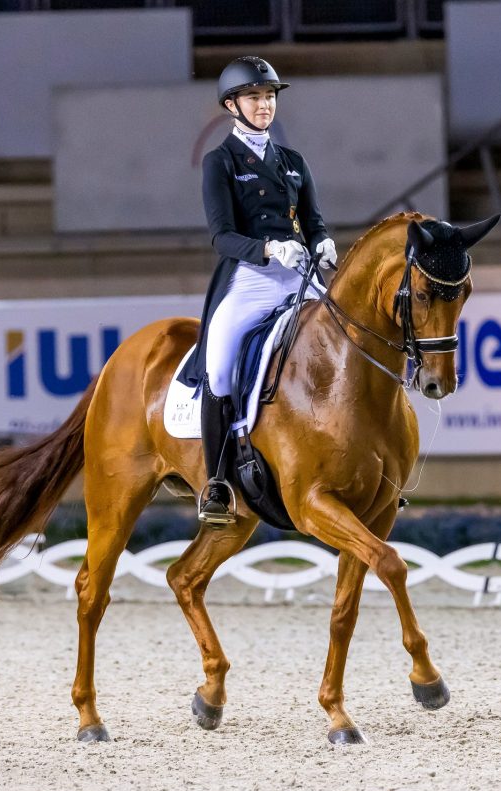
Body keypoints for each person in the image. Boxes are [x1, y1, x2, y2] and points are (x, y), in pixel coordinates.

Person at [179, 56, 337, 526]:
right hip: (250, 279)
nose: (264, 105)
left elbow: (312, 221)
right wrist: (268, 249)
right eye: (254, 97)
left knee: (345, 347)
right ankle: (216, 484)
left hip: (300, 276)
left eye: (269, 97)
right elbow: (221, 236)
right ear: (232, 105)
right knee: (220, 368)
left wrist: (322, 240)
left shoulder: (293, 162)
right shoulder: (221, 162)